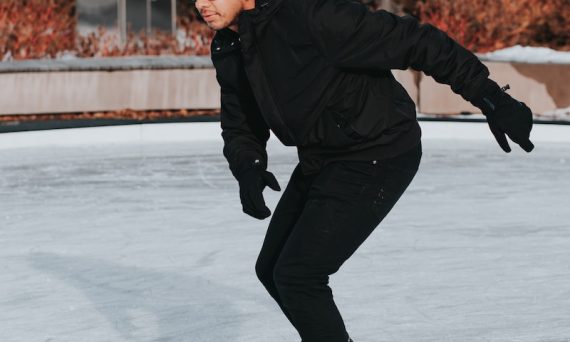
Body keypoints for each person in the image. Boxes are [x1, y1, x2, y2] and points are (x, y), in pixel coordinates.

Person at [194, 0, 535, 340]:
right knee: (271, 269)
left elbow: (418, 41)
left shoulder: (309, 16)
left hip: (379, 152)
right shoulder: (230, 43)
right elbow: (240, 118)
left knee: (298, 276)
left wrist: (493, 100)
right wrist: (249, 166)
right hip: (322, 155)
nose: (201, 4)